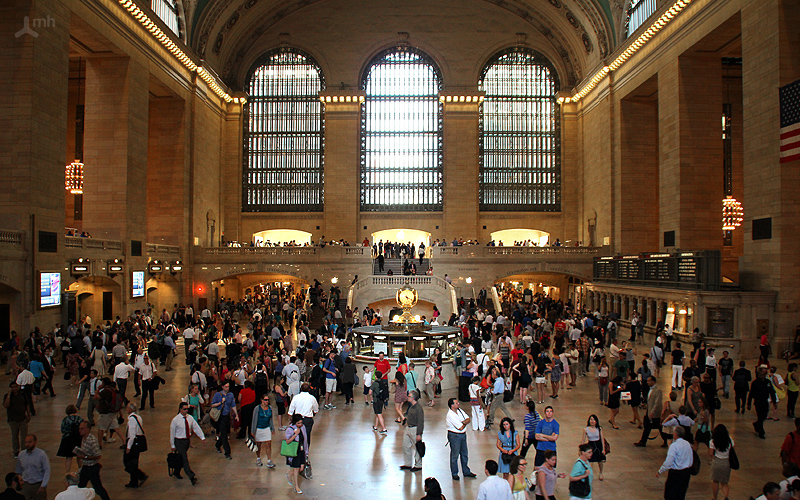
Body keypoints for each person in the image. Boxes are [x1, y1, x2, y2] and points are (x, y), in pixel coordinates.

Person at [170, 402, 205, 483]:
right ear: (180, 409)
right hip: (179, 441)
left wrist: (202, 437)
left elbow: (196, 427)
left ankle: (176, 472)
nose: (186, 411)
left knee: (181, 457)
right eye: (184, 409)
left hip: (186, 441)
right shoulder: (175, 420)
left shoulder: (190, 418)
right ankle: (191, 476)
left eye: (187, 409)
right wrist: (172, 444)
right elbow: (172, 433)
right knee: (184, 458)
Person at [73, 422, 109, 500]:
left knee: (98, 488)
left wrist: (85, 457)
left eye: (82, 429)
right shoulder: (83, 438)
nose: (80, 430)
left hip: (92, 468)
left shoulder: (92, 441)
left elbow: (97, 455)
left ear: (88, 429)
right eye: (79, 428)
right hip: (85, 467)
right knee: (81, 486)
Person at [657, 426, 693, 500]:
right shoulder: (687, 444)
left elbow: (669, 462)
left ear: (676, 434)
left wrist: (660, 471)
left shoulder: (674, 446)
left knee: (670, 495)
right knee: (681, 495)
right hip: (686, 472)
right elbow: (691, 458)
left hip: (676, 473)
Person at [445, 398, 475, 480]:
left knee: (464, 454)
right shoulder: (450, 415)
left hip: (462, 435)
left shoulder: (460, 411)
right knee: (455, 455)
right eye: (456, 403)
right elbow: (460, 427)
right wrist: (464, 422)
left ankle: (466, 471)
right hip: (455, 436)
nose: (458, 404)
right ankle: (454, 473)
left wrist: (464, 422)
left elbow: (468, 419)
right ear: (452, 405)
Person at [287, 383, 319, 457]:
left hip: (297, 419)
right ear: (309, 389)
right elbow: (316, 410)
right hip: (308, 419)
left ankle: (296, 451)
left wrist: (291, 420)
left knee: (296, 435)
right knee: (306, 436)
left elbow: (290, 411)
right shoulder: (312, 398)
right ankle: (305, 453)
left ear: (301, 389)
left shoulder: (296, 397)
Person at [15, 435, 50, 500]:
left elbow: (47, 470)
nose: (27, 444)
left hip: (38, 484)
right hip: (26, 484)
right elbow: (18, 470)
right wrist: (19, 483)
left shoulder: (41, 454)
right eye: (26, 442)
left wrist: (43, 485)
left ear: (35, 442)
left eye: (30, 442)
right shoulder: (21, 455)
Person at [748, 366, 778, 439]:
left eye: (762, 375)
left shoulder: (767, 382)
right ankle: (761, 432)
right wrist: (749, 404)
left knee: (764, 415)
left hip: (765, 401)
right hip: (758, 402)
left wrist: (774, 402)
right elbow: (751, 394)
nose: (761, 376)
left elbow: (772, 392)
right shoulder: (755, 383)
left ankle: (756, 424)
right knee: (760, 416)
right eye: (760, 375)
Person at [211, 381, 237, 459]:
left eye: (228, 387)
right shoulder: (217, 395)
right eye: (226, 387)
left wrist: (236, 415)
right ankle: (227, 452)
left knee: (225, 433)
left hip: (227, 416)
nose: (227, 388)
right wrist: (220, 403)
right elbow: (212, 404)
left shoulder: (230, 395)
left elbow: (233, 405)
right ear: (222, 387)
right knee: (224, 435)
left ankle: (218, 445)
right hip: (220, 417)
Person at [123, 403, 147, 488]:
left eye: (127, 407)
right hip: (138, 442)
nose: (126, 409)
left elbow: (132, 435)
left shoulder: (132, 419)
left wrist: (128, 447)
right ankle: (137, 478)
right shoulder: (138, 417)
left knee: (128, 462)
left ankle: (137, 477)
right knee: (134, 462)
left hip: (134, 443)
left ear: (131, 409)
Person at [5, 383, 31, 458]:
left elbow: (27, 404)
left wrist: (28, 414)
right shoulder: (7, 396)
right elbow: (6, 405)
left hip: (22, 418)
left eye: (15, 387)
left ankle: (24, 450)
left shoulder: (22, 394)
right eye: (12, 387)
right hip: (12, 419)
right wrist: (9, 395)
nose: (14, 389)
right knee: (14, 435)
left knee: (24, 435)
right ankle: (16, 451)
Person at [635, 376, 663, 446]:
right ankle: (643, 441)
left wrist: (652, 412)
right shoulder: (650, 389)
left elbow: (657, 403)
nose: (647, 382)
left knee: (659, 428)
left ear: (653, 381)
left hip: (655, 413)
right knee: (647, 427)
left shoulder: (658, 390)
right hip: (649, 412)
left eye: (649, 381)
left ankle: (666, 439)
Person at [708, 424, 733, 500]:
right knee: (725, 482)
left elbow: (710, 453)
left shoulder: (713, 441)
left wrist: (714, 458)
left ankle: (715, 498)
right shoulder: (730, 440)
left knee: (715, 481)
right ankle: (726, 496)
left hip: (717, 462)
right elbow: (733, 451)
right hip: (726, 462)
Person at [401, 390, 424, 472]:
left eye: (409, 396)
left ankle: (418, 465)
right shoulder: (411, 406)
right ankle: (408, 463)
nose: (408, 397)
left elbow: (420, 421)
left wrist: (419, 434)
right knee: (406, 446)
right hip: (408, 428)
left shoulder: (418, 408)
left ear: (413, 398)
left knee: (417, 448)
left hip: (414, 429)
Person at [284, 413, 308, 495]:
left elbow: (305, 440)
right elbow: (287, 441)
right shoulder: (290, 429)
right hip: (294, 451)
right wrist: (295, 434)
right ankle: (296, 486)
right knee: (296, 468)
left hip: (301, 450)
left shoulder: (303, 427)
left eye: (301, 423)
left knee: (301, 468)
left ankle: (289, 474)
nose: (300, 425)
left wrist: (306, 451)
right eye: (298, 423)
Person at [56, 406, 83, 473]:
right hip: (78, 439)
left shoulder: (65, 419)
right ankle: (80, 469)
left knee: (68, 457)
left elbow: (63, 430)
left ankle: (67, 471)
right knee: (79, 456)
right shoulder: (79, 419)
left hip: (68, 439)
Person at [580, 414, 606, 480]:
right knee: (590, 461)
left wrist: (603, 449)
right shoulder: (586, 429)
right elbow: (583, 440)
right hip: (591, 445)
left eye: (594, 420)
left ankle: (601, 473)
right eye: (591, 419)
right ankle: (589, 474)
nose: (592, 421)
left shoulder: (599, 429)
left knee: (599, 461)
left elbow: (602, 439)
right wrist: (581, 450)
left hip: (598, 445)